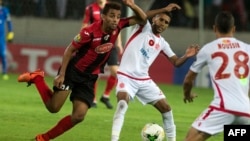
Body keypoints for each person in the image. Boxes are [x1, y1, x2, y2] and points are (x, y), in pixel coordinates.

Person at [17, 1, 147, 141]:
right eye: (112, 16)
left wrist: (133, 6)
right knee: (53, 108)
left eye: (118, 16)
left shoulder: (119, 26)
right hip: (73, 71)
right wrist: (62, 74)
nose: (115, 19)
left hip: (89, 77)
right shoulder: (88, 32)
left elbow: (143, 19)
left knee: (79, 115)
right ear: (103, 16)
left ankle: (43, 138)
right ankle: (38, 78)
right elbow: (69, 50)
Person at [111, 3, 199, 141]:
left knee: (167, 109)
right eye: (160, 19)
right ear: (154, 19)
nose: (162, 24)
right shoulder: (143, 27)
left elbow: (176, 62)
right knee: (122, 104)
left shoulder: (162, 43)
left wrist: (186, 56)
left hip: (144, 80)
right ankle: (114, 139)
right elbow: (143, 15)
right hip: (126, 76)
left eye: (166, 22)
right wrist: (164, 9)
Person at [182, 11, 250, 141]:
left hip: (223, 108)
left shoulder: (209, 49)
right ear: (234, 29)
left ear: (214, 28)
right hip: (245, 112)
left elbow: (188, 80)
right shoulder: (247, 49)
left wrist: (187, 94)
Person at [82, 0, 123, 109]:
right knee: (95, 73)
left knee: (115, 72)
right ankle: (93, 98)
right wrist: (83, 40)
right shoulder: (90, 8)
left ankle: (105, 96)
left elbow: (117, 26)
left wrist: (119, 43)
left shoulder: (112, 8)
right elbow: (85, 25)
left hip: (111, 45)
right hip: (96, 44)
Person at [0, 0, 14, 80]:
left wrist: (11, 32)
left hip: (1, 37)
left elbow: (9, 22)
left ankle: (5, 72)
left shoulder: (4, 11)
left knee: (3, 54)